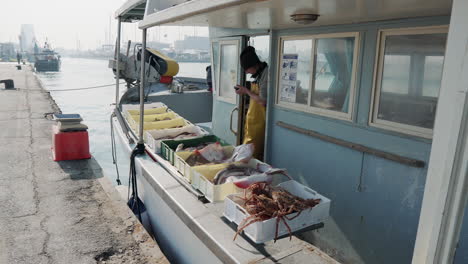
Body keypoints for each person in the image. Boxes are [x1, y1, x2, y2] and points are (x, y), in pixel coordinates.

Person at [234, 46, 268, 160]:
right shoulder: (259, 74)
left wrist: (246, 91)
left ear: (254, 65)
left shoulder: (266, 74)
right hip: (253, 122)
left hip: (260, 124)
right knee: (248, 150)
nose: (246, 72)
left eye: (247, 69)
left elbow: (263, 101)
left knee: (252, 154)